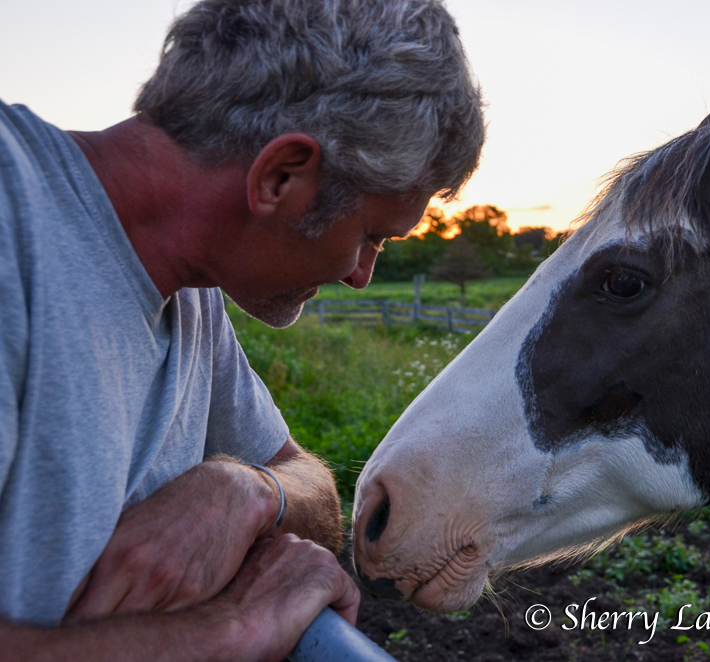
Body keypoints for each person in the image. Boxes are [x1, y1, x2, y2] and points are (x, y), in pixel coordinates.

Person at [0, 0, 484, 659]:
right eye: (372, 235)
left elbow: (311, 490)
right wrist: (233, 631)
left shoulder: (192, 293)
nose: (361, 276)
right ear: (281, 176)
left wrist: (243, 492)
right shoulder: (14, 221)